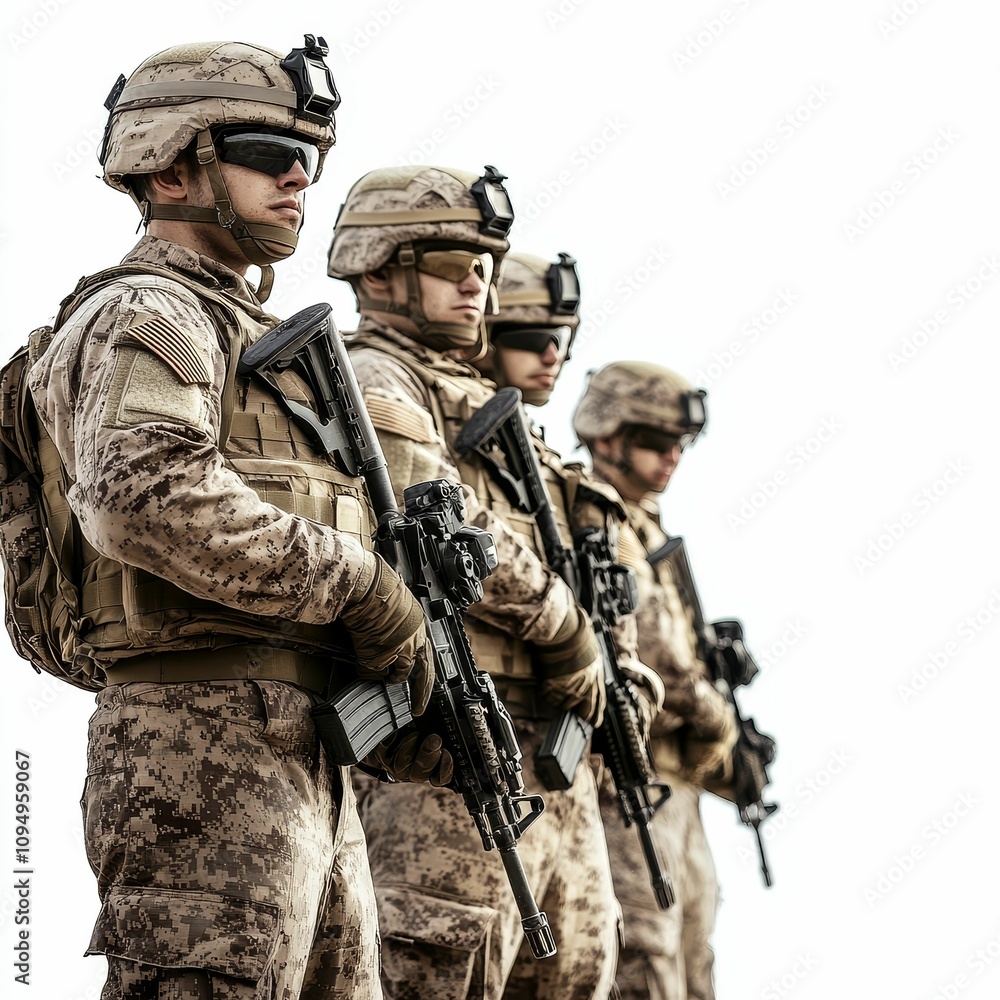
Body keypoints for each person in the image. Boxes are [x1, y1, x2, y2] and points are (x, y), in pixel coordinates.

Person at [26, 36, 443, 1000]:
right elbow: (142, 495)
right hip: (196, 741)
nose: (300, 176)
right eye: (268, 151)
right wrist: (362, 589)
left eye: (311, 158)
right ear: (171, 166)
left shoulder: (260, 339)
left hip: (303, 750)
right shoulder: (148, 311)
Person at [327, 169, 620, 999]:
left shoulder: (476, 398)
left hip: (537, 750)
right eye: (453, 264)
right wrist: (565, 627)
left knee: (577, 972)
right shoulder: (375, 377)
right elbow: (446, 525)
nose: (475, 285)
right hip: (453, 740)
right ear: (378, 269)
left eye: (485, 267)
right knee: (443, 968)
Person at [572, 362, 740, 1000]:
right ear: (607, 434)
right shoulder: (593, 517)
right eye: (655, 440)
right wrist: (716, 720)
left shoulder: (648, 528)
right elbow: (657, 664)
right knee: (646, 960)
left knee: (694, 962)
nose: (671, 456)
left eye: (680, 443)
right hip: (631, 784)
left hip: (676, 786)